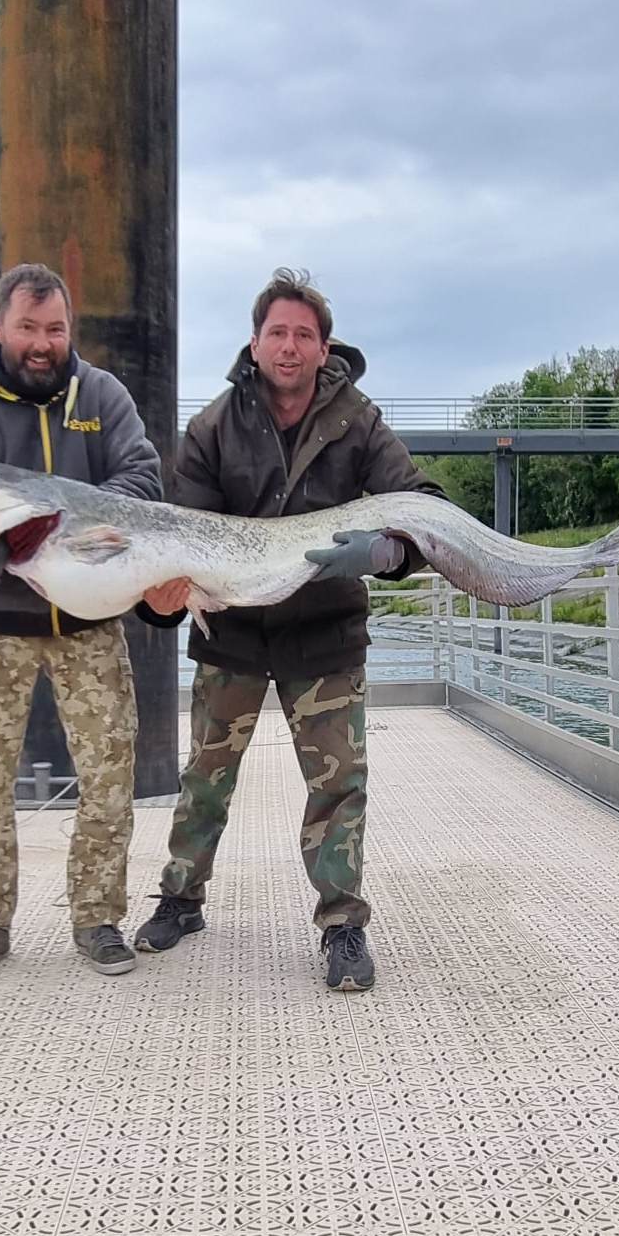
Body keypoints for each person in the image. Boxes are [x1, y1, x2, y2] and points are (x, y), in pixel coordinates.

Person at [134, 267, 445, 992]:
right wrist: (164, 595)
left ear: (323, 346)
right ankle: (181, 899)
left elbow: (421, 503)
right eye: (278, 331)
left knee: (340, 786)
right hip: (232, 635)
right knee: (204, 780)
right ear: (255, 341)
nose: (290, 345)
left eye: (304, 334)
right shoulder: (213, 425)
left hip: (325, 634)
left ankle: (342, 925)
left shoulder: (358, 420)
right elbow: (187, 533)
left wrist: (385, 550)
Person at [0, 261, 172, 985]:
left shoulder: (102, 397)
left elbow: (142, 477)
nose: (42, 343)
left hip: (88, 623)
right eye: (27, 328)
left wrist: (68, 518)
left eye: (55, 329)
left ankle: (97, 917)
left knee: (109, 775)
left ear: (70, 330)